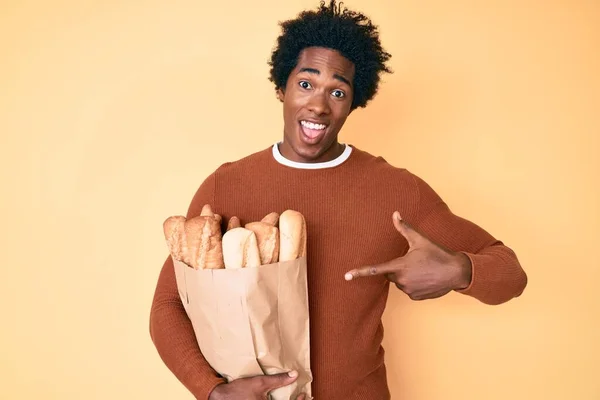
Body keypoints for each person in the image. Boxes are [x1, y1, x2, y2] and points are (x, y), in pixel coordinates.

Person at [148, 1, 528, 399]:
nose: (318, 105)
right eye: (306, 84)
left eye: (338, 91)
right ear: (282, 86)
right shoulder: (225, 186)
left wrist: (459, 271)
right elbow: (169, 305)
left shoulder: (397, 191)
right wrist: (212, 392)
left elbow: (511, 274)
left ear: (354, 101)